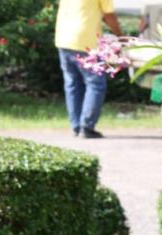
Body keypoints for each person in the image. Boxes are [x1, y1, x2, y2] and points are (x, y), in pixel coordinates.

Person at [55, 0, 123, 138]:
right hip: (85, 41)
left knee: (72, 84)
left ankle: (76, 126)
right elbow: (108, 15)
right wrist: (120, 36)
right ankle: (86, 126)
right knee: (96, 84)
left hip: (63, 38)